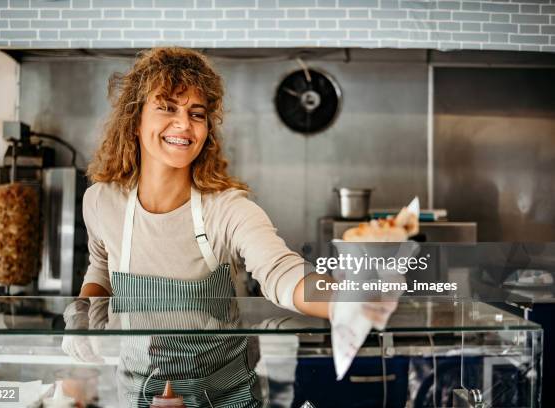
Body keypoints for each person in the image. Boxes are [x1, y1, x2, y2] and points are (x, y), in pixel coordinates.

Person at [63, 47, 396, 407]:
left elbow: (280, 271)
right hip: (135, 395)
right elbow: (101, 265)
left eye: (197, 113)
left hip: (222, 398)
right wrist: (84, 316)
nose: (183, 124)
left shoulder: (227, 209)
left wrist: (344, 301)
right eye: (167, 107)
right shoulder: (100, 201)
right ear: (135, 118)